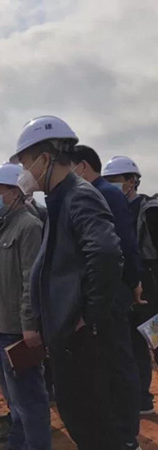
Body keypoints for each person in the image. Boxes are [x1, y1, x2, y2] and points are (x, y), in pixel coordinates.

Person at [12, 116, 125, 449]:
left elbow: (106, 255)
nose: (24, 173)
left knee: (94, 425)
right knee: (81, 418)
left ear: (46, 159)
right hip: (69, 338)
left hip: (84, 341)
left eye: (25, 164)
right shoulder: (60, 200)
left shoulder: (79, 196)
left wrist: (88, 315)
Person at [71, 146, 143, 447]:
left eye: (69, 168)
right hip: (102, 291)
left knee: (118, 362)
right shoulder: (92, 194)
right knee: (105, 363)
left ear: (83, 167)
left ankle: (127, 435)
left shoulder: (105, 194)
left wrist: (133, 282)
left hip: (112, 292)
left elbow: (125, 245)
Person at [0, 163, 51, 449]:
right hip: (1, 326)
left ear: (15, 191)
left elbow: (31, 281)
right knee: (14, 397)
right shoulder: (1, 228)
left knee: (30, 397)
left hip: (18, 331)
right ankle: (18, 442)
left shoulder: (29, 226)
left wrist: (29, 325)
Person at [103, 155, 158, 417]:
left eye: (116, 180)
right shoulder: (110, 213)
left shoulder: (150, 212)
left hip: (151, 293)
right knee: (133, 346)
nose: (112, 186)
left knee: (156, 342)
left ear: (132, 181)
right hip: (126, 292)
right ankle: (142, 400)